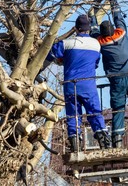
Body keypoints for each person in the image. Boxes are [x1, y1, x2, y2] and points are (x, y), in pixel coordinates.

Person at [90, 0, 128, 148]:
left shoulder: (101, 42)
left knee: (118, 108)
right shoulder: (121, 33)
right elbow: (118, 18)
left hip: (117, 79)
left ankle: (117, 139)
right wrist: (113, 2)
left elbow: (94, 30)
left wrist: (92, 16)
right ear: (112, 30)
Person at [46, 14, 111, 152]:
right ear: (88, 29)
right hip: (88, 85)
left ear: (76, 28)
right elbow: (95, 64)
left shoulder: (67, 43)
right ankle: (104, 143)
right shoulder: (96, 45)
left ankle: (75, 144)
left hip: (71, 85)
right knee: (94, 112)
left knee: (73, 114)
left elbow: (51, 54)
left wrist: (63, 60)